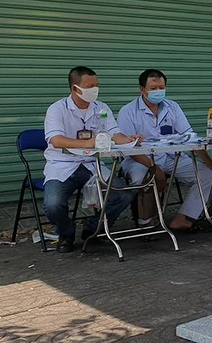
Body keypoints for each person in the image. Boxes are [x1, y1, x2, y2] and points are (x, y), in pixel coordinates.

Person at [43, 66, 141, 253]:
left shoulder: (101, 108)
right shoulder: (57, 109)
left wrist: (129, 140)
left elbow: (114, 133)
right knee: (53, 205)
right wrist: (87, 143)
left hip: (92, 164)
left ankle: (93, 229)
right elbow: (56, 140)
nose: (95, 90)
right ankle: (66, 234)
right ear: (75, 88)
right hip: (63, 165)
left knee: (123, 195)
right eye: (90, 86)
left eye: (96, 85)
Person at [117, 69, 212, 231]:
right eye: (153, 88)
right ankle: (146, 220)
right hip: (140, 159)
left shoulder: (172, 107)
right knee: (142, 179)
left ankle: (185, 217)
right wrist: (154, 168)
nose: (158, 91)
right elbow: (128, 149)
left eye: (161, 88)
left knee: (206, 175)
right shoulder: (128, 112)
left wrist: (209, 162)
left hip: (171, 157)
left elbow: (190, 137)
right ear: (142, 89)